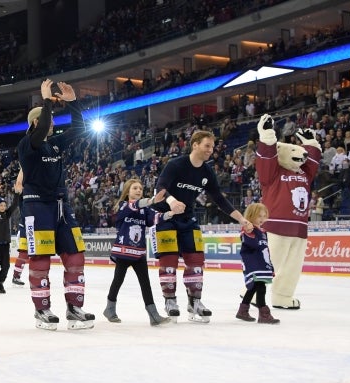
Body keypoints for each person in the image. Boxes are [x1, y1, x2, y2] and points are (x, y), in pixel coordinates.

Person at [16, 80, 94, 331]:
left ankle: (74, 308)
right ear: (36, 123)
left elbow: (80, 130)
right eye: (47, 120)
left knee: (75, 254)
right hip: (37, 206)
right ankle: (42, 309)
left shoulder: (55, 144)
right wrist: (47, 101)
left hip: (62, 206)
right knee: (40, 258)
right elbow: (38, 134)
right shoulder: (27, 144)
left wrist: (73, 103)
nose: (51, 124)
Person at [154, 128, 250, 323]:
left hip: (188, 219)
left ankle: (195, 302)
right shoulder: (175, 164)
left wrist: (241, 219)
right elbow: (160, 187)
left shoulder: (207, 172)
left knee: (196, 260)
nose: (210, 150)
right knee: (169, 261)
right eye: (207, 146)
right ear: (195, 145)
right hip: (166, 216)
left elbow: (219, 199)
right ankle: (170, 301)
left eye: (212, 147)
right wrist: (172, 201)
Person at [104, 179, 172, 326]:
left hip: (139, 253)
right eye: (135, 188)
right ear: (128, 191)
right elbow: (134, 205)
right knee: (118, 281)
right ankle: (110, 309)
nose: (138, 190)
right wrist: (152, 200)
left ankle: (153, 315)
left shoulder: (145, 209)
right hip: (123, 252)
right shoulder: (123, 205)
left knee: (145, 283)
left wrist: (170, 213)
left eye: (140, 188)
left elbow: (155, 217)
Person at [236, 203, 279, 324]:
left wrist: (269, 266)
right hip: (253, 264)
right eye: (259, 216)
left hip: (261, 263)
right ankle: (264, 314)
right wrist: (248, 231)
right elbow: (252, 244)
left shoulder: (263, 232)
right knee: (260, 287)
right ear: (251, 215)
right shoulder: (248, 230)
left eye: (264, 216)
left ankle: (242, 310)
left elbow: (265, 250)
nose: (262, 219)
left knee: (254, 287)